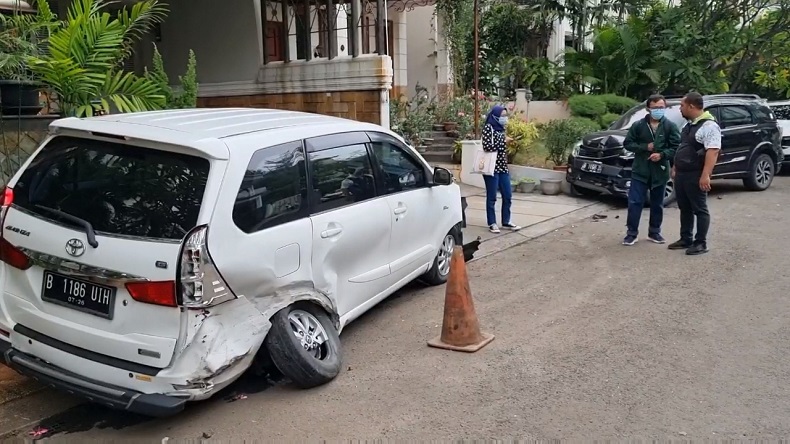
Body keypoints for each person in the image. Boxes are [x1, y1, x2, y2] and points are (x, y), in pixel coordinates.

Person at [622, 94, 680, 246]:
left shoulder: (669, 126)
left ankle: (655, 232)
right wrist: (644, 147)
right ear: (648, 109)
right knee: (635, 202)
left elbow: (676, 147)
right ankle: (631, 233)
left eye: (661, 107)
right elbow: (628, 143)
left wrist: (662, 155)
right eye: (655, 108)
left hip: (660, 172)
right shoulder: (638, 125)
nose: (659, 110)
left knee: (657, 204)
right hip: (640, 171)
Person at [668, 92, 721, 255]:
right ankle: (686, 238)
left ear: (691, 106)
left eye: (682, 105)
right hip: (682, 173)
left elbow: (713, 152)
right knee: (685, 207)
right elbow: (684, 146)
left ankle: (701, 243)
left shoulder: (709, 126)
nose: (680, 109)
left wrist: (706, 175)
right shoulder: (690, 125)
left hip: (695, 173)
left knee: (700, 208)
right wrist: (676, 166)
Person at [481, 105, 521, 234]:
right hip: (491, 167)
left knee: (507, 195)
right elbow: (487, 146)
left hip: (502, 166)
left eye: (505, 115)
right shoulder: (488, 128)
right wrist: (504, 142)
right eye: (502, 115)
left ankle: (506, 221)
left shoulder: (501, 129)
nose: (504, 118)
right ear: (495, 116)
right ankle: (492, 222)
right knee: (492, 196)